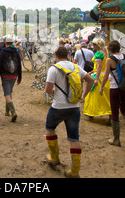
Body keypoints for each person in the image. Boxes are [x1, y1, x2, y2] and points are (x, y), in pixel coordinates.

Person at [44, 46, 94, 178]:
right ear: (68, 55)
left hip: (58, 107)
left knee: (50, 129)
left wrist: (56, 92)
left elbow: (48, 90)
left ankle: (54, 158)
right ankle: (75, 171)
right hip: (74, 107)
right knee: (74, 138)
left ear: (55, 55)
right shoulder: (76, 67)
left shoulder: (53, 69)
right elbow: (90, 80)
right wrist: (83, 96)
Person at [100, 40, 125, 146]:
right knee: (124, 110)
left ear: (109, 49)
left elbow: (106, 75)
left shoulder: (110, 60)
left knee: (114, 113)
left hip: (115, 88)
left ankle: (116, 139)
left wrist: (101, 87)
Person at [82, 37, 112, 122]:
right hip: (106, 76)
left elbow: (98, 67)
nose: (93, 46)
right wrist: (91, 72)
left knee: (92, 95)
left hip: (99, 76)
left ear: (97, 45)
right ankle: (109, 113)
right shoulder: (106, 53)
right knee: (106, 96)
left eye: (94, 44)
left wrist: (96, 79)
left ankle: (91, 112)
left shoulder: (98, 54)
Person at [0, 39, 22, 122]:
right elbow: (19, 64)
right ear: (12, 43)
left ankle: (13, 112)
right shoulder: (16, 51)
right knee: (9, 92)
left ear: (5, 43)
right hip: (14, 75)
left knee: (7, 94)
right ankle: (7, 111)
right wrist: (20, 77)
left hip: (5, 75)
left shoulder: (3, 52)